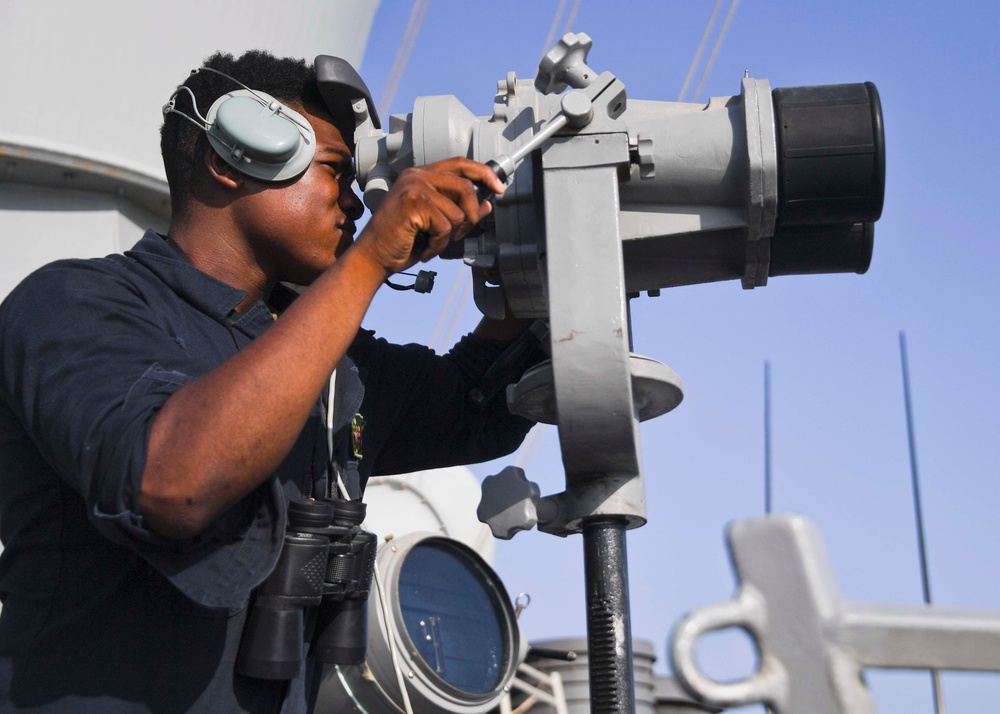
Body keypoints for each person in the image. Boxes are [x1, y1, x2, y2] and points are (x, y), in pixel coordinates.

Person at [0, 50, 542, 713]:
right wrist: (372, 257)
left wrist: (528, 249)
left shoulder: (333, 366)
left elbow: (478, 405)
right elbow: (172, 482)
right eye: (337, 172)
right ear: (235, 156)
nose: (354, 202)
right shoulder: (72, 303)